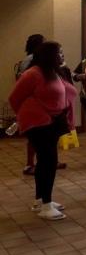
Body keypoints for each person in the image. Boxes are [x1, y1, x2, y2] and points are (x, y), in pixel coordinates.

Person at [9, 41, 77, 220]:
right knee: (49, 161)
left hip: (51, 122)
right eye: (59, 53)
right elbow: (14, 98)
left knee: (44, 162)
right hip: (38, 124)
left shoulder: (54, 72)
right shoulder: (33, 74)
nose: (62, 55)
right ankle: (46, 205)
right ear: (49, 55)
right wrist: (28, 114)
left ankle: (41, 201)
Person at [16, 34, 45, 175]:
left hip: (36, 102)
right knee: (35, 136)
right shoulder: (31, 60)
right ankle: (29, 164)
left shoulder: (30, 59)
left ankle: (44, 161)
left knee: (39, 136)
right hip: (33, 102)